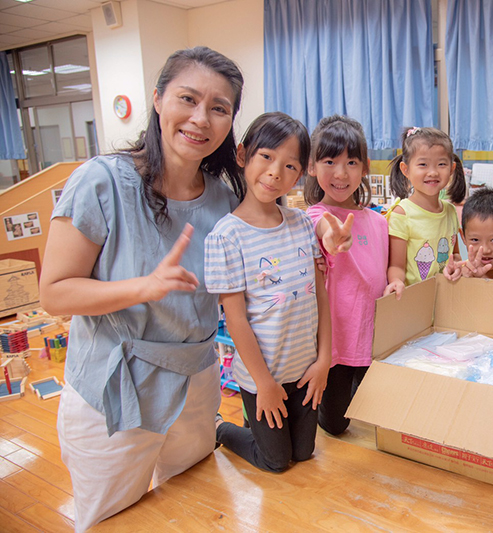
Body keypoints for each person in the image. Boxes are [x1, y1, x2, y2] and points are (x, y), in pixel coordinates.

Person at [38, 47, 245, 531]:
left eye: (219, 108)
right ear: (157, 100)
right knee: (113, 518)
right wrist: (143, 287)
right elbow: (55, 293)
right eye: (187, 99)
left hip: (196, 383)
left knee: (192, 507)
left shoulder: (225, 196)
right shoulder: (101, 182)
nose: (200, 119)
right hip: (116, 388)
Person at [204, 112, 332, 472]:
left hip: (305, 369)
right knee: (275, 460)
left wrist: (324, 361)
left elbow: (320, 297)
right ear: (243, 155)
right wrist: (263, 383)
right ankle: (223, 427)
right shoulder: (226, 236)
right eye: (266, 157)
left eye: (290, 165)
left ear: (301, 172)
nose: (276, 172)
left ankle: (258, 425)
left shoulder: (302, 224)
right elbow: (236, 318)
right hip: (263, 376)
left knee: (304, 452)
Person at [304, 115, 399, 435]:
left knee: (373, 416)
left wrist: (396, 280)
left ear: (365, 167)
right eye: (330, 161)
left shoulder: (379, 222)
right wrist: (331, 239)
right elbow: (323, 230)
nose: (341, 173)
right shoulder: (315, 216)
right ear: (312, 167)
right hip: (335, 345)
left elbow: (388, 271)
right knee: (335, 425)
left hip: (373, 340)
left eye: (352, 162)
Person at [385, 127, 467, 293]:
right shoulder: (401, 214)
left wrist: (459, 266)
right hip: (414, 302)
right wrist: (395, 282)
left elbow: (455, 255)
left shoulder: (451, 211)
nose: (433, 172)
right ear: (405, 170)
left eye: (441, 164)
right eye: (423, 164)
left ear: (451, 169)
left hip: (446, 297)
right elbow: (396, 266)